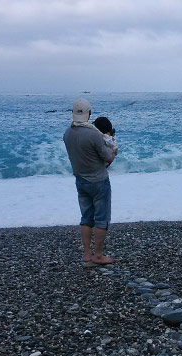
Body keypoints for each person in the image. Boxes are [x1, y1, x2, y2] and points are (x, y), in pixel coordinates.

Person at [63, 99, 117, 265]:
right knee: (101, 219)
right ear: (89, 113)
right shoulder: (94, 134)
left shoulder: (67, 133)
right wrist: (113, 149)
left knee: (86, 218)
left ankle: (87, 254)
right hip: (99, 180)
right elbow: (107, 157)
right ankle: (98, 255)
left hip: (80, 180)